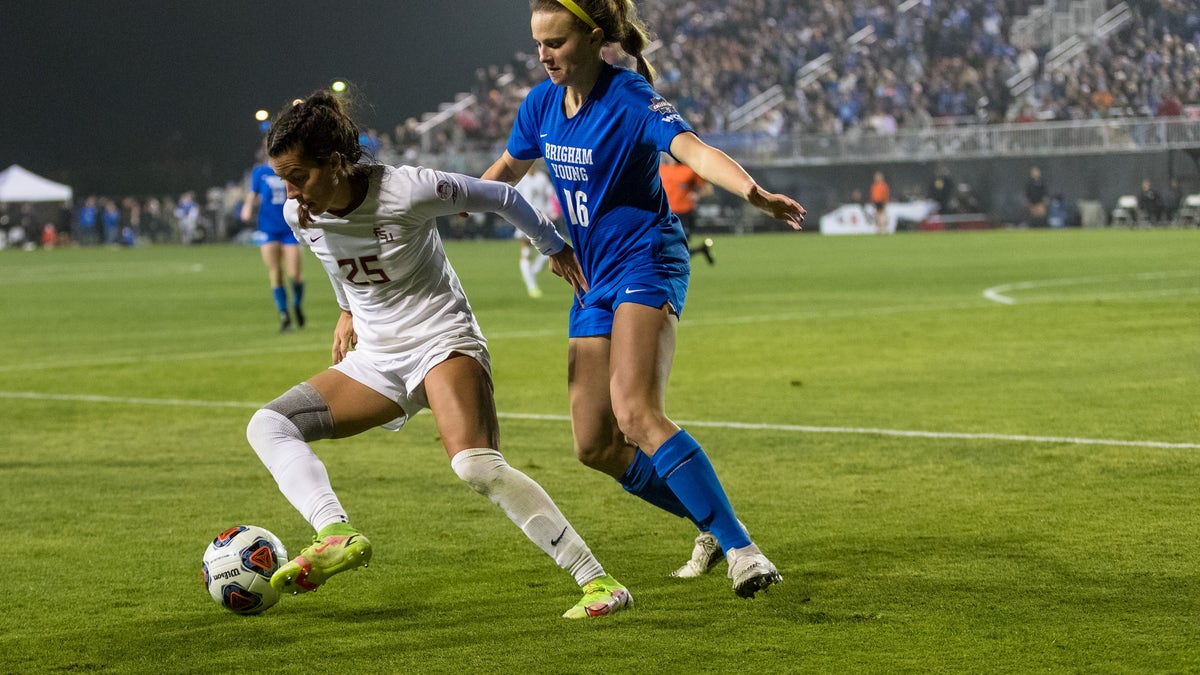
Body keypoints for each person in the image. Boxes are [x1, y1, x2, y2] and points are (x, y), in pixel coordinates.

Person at [245, 90, 630, 619]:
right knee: (267, 425)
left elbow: (501, 196)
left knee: (475, 465)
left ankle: (598, 582)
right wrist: (346, 311)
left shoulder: (407, 189)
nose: (289, 192)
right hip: (376, 358)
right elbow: (339, 264)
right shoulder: (299, 214)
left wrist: (553, 246)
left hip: (440, 340)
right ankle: (334, 531)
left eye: (298, 176)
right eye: (283, 180)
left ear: (334, 163)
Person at [481, 0, 805, 598]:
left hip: (645, 260)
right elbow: (501, 175)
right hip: (591, 278)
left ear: (594, 37)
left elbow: (694, 150)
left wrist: (752, 191)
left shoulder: (628, 97)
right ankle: (710, 523)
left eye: (555, 42)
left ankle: (742, 552)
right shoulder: (539, 106)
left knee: (635, 412)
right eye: (538, 45)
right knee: (595, 445)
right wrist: (424, 211)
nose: (544, 55)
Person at [242, 154, 307, 332]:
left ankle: (297, 304)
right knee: (275, 272)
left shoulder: (289, 168)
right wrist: (247, 206)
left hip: (289, 228)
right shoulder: (261, 172)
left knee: (295, 274)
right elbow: (253, 193)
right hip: (269, 228)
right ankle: (284, 315)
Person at [513, 160, 559, 298]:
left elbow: (551, 195)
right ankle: (531, 286)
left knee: (552, 250)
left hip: (543, 220)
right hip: (524, 220)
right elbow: (513, 198)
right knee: (526, 252)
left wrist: (554, 210)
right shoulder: (521, 179)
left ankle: (531, 271)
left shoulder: (542, 178)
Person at [659, 152, 714, 264]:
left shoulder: (689, 170)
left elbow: (708, 189)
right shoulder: (660, 170)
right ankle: (702, 249)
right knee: (666, 249)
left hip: (684, 214)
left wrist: (696, 194)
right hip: (665, 215)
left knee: (679, 249)